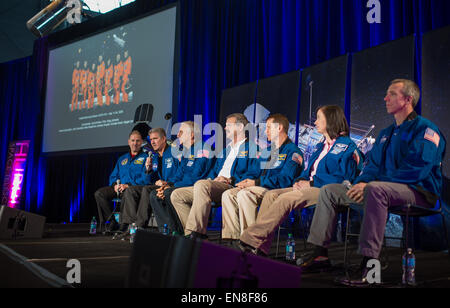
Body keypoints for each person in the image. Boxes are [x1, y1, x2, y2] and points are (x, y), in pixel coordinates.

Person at [303, 79, 445, 286]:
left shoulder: (426, 129)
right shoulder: (385, 134)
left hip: (419, 192)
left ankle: (371, 269)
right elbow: (371, 167)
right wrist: (360, 184)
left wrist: (370, 186)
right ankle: (319, 255)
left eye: (392, 94)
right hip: (379, 192)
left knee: (376, 189)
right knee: (329, 191)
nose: (385, 98)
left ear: (408, 99)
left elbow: (417, 168)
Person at [239, 105, 362, 256]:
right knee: (271, 195)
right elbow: (306, 172)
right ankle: (261, 248)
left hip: (325, 190)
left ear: (330, 120)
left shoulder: (348, 146)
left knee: (285, 199)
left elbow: (345, 178)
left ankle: (251, 238)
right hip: (308, 187)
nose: (315, 122)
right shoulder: (320, 147)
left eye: (318, 118)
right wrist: (300, 181)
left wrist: (311, 183)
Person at [170, 113, 260, 239]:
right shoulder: (226, 150)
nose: (224, 128)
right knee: (177, 195)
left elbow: (253, 173)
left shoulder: (252, 148)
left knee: (202, 185)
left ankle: (196, 233)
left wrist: (230, 179)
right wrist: (210, 179)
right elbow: (214, 170)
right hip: (215, 185)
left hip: (232, 186)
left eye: (228, 125)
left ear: (240, 128)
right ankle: (190, 234)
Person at [221, 114, 303, 243]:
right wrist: (245, 181)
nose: (266, 131)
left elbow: (285, 179)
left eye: (269, 128)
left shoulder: (293, 152)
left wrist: (256, 182)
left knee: (245, 194)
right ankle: (233, 238)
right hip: (259, 187)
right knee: (228, 194)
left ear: (280, 128)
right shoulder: (267, 151)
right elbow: (254, 171)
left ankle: (249, 241)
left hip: (275, 190)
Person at [149, 121, 215, 234]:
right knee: (155, 194)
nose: (178, 135)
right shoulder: (187, 152)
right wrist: (167, 185)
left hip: (199, 187)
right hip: (185, 185)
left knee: (168, 193)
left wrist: (172, 187)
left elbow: (195, 177)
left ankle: (181, 230)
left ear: (192, 135)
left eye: (181, 132)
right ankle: (168, 231)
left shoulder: (203, 149)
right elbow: (179, 174)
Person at [113, 128, 179, 239]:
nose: (152, 142)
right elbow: (150, 179)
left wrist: (167, 182)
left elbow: (180, 173)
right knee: (131, 190)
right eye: (151, 139)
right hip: (156, 185)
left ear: (163, 139)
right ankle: (131, 226)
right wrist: (148, 170)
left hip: (170, 185)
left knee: (147, 190)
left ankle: (140, 227)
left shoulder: (174, 153)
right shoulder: (154, 156)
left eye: (155, 139)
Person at [94, 130, 155, 232]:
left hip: (132, 189)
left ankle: (124, 225)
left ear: (141, 142)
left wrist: (128, 185)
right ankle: (111, 221)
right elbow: (113, 175)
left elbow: (146, 179)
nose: (135, 143)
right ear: (128, 142)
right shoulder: (122, 158)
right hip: (119, 188)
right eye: (132, 140)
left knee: (128, 192)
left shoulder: (146, 158)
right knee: (99, 194)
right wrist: (115, 185)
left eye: (137, 141)